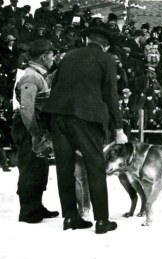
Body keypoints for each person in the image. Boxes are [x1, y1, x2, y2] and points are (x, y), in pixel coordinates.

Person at [43, 26, 128, 234]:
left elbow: (55, 87)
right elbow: (111, 96)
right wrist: (118, 128)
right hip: (87, 119)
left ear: (87, 39)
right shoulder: (106, 59)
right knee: (95, 167)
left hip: (58, 117)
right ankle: (101, 221)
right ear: (105, 45)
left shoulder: (68, 56)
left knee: (64, 168)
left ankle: (70, 218)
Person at [11, 39, 59, 224]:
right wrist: (35, 134)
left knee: (39, 168)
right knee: (30, 168)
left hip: (34, 126)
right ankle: (28, 212)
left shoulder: (39, 74)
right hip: (28, 127)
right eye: (51, 55)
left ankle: (36, 206)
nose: (53, 58)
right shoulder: (31, 77)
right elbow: (26, 109)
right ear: (44, 56)